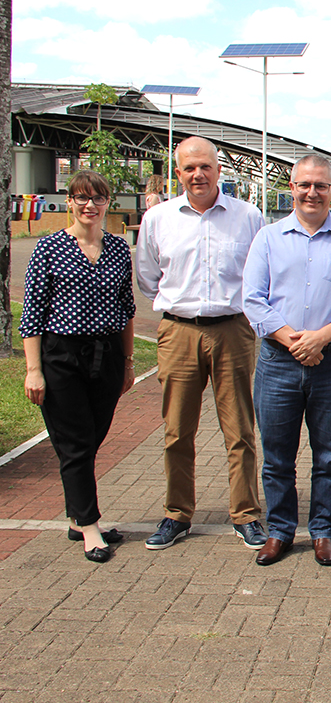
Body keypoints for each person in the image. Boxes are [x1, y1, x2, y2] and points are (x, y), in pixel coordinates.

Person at [135, 136, 268, 551]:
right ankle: (177, 513)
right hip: (178, 331)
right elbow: (147, 278)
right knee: (177, 430)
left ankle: (246, 514)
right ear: (178, 173)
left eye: (205, 166)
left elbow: (259, 274)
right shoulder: (158, 218)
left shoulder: (248, 217)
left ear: (218, 170)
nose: (198, 174)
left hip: (233, 330)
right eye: (189, 168)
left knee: (240, 429)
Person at [243, 155, 331, 567]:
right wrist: (293, 340)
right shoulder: (268, 238)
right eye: (304, 184)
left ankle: (322, 531)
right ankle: (280, 531)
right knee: (277, 456)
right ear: (292, 187)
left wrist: (320, 337)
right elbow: (253, 299)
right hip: (278, 361)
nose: (312, 193)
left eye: (321, 185)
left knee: (328, 455)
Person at [21, 170, 135, 563]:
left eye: (98, 198)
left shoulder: (117, 249)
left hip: (107, 356)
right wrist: (33, 370)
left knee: (92, 437)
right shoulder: (49, 247)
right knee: (76, 444)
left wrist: (128, 361)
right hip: (62, 357)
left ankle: (77, 517)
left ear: (107, 203)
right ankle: (89, 526)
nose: (90, 205)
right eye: (82, 197)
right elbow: (32, 315)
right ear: (69, 201)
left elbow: (126, 309)